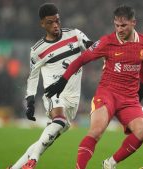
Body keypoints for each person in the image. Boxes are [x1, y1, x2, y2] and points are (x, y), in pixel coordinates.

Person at [45, 4, 143, 169]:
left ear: (133, 23)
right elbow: (81, 59)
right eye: (116, 25)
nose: (119, 29)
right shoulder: (107, 42)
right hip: (107, 93)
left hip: (129, 98)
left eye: (123, 25)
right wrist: (62, 81)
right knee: (96, 131)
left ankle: (110, 164)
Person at [7, 3, 93, 169]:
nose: (55, 25)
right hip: (54, 94)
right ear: (42, 24)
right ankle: (33, 162)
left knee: (44, 141)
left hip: (73, 99)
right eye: (50, 22)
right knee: (58, 121)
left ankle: (15, 168)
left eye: (57, 21)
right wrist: (30, 101)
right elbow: (32, 77)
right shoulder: (38, 50)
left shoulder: (75, 35)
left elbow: (94, 48)